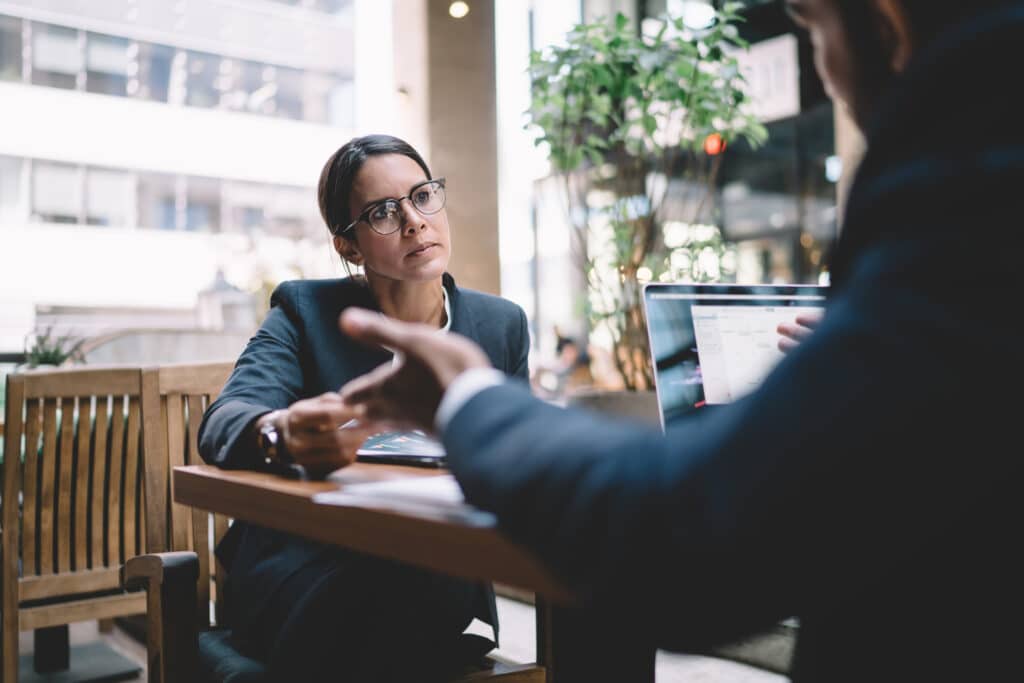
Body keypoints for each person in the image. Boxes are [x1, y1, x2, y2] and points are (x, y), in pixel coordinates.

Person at [336, 1, 1022, 680]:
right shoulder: (975, 165)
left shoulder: (971, 175)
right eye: (383, 213)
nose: (830, 75)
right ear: (350, 243)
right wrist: (859, 363)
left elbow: (696, 539)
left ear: (886, 22)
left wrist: (466, 400)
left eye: (811, 25)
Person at [197, 134, 529, 680]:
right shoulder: (305, 311)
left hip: (439, 569)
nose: (414, 221)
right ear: (348, 246)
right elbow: (225, 419)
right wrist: (279, 433)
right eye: (381, 212)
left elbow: (515, 454)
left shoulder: (500, 325)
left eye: (423, 196)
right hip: (310, 566)